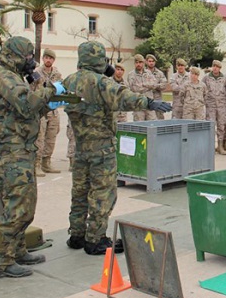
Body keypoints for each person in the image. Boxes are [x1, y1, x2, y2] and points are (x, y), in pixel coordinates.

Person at [64, 41, 171, 255]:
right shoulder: (101, 83)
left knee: (80, 191)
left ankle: (76, 234)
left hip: (81, 148)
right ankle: (95, 239)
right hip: (101, 149)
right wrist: (150, 103)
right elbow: (124, 96)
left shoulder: (69, 81)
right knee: (103, 194)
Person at [0, 36, 65, 277]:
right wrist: (50, 90)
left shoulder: (12, 77)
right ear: (16, 55)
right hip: (10, 151)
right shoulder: (2, 76)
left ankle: (16, 250)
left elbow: (24, 112)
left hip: (20, 149)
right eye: (28, 57)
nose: (32, 62)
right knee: (18, 207)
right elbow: (26, 104)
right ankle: (1, 261)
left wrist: (50, 103)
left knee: (25, 205)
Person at [32, 48, 63, 175]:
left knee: (51, 138)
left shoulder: (57, 74)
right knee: (39, 138)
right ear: (43, 59)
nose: (48, 60)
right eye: (46, 58)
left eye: (50, 58)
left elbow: (61, 88)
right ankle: (36, 164)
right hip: (41, 110)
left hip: (53, 110)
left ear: (53, 60)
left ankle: (46, 162)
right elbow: (28, 86)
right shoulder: (36, 73)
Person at [203, 60, 226, 154]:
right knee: (210, 125)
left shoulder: (224, 78)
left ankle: (220, 146)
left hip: (221, 106)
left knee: (221, 125)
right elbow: (203, 89)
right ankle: (210, 146)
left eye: (217, 66)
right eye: (214, 66)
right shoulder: (206, 78)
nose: (215, 68)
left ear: (220, 68)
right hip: (211, 105)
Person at [127, 54, 157, 121]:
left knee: (152, 123)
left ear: (143, 63)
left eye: (140, 62)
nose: (138, 64)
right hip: (138, 104)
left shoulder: (148, 73)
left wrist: (143, 85)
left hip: (149, 103)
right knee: (139, 125)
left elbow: (154, 84)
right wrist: (148, 87)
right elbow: (134, 88)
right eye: (136, 62)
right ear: (134, 63)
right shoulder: (131, 75)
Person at [145, 54, 168, 120]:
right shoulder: (143, 73)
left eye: (153, 61)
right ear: (146, 62)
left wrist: (154, 86)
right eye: (149, 61)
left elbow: (164, 85)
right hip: (147, 100)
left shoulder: (160, 73)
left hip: (157, 99)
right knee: (147, 120)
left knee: (160, 119)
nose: (151, 63)